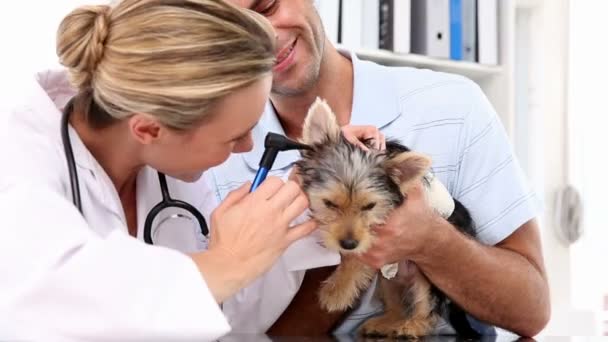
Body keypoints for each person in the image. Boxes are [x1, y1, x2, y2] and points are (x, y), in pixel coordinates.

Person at [0, 0, 378, 340]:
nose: (248, 147)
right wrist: (224, 261)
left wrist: (313, 186)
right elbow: (55, 317)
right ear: (149, 129)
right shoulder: (17, 169)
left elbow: (227, 317)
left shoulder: (162, 167)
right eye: (233, 138)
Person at [210, 0, 551, 337]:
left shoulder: (454, 105)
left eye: (268, 6)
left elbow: (531, 310)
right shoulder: (208, 152)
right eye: (235, 25)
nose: (264, 35)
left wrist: (431, 240)